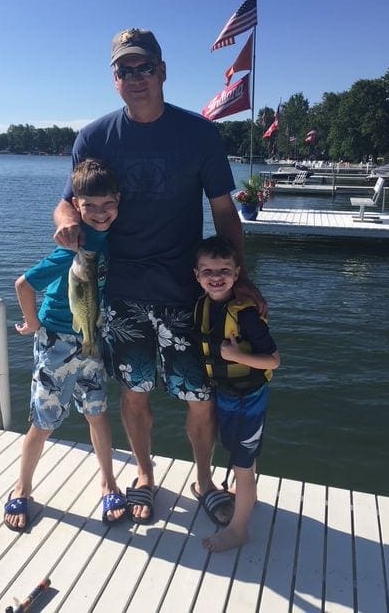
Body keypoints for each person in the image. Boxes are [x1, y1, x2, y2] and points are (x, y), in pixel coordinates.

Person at [53, 27, 266, 524]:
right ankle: (144, 475)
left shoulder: (199, 134)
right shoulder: (95, 137)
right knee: (134, 392)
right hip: (123, 293)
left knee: (200, 395)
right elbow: (69, 200)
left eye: (144, 67)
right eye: (124, 70)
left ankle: (206, 479)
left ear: (163, 71)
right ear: (114, 79)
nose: (135, 78)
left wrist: (242, 282)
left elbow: (225, 213)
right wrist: (65, 221)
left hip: (185, 294)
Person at [3, 158, 125, 531]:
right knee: (43, 422)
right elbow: (24, 284)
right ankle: (22, 486)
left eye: (108, 205)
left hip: (92, 336)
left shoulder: (112, 236)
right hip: (55, 340)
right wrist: (35, 325)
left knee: (97, 412)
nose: (100, 213)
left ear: (118, 202)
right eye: (90, 206)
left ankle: (108, 482)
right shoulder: (74, 244)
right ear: (75, 205)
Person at [193, 235, 280, 552]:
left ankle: (239, 528)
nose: (216, 278)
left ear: (237, 272)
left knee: (243, 465)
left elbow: (274, 360)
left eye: (224, 271)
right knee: (240, 457)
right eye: (208, 272)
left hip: (248, 399)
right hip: (226, 396)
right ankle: (246, 497)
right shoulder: (204, 305)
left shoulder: (245, 313)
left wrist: (236, 358)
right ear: (197, 276)